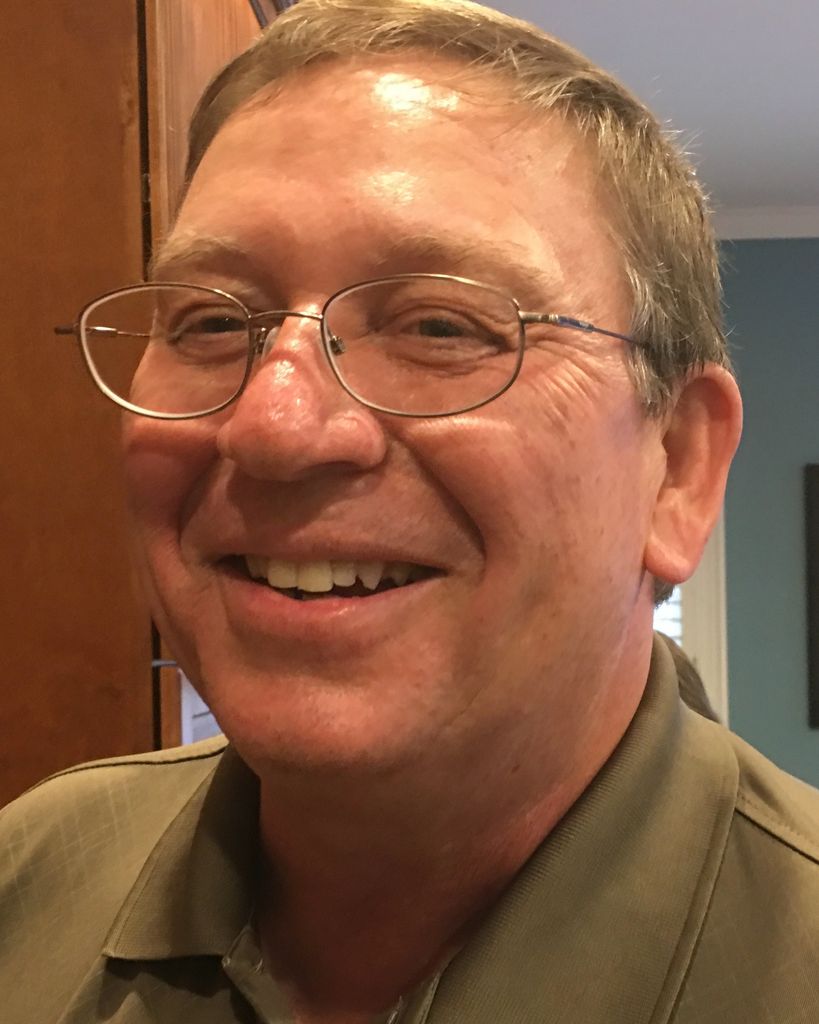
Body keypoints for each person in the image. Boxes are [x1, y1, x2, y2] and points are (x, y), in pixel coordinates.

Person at [2, 1, 817, 1021]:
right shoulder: (32, 879)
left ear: (677, 469)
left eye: (440, 326)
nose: (274, 425)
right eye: (210, 321)